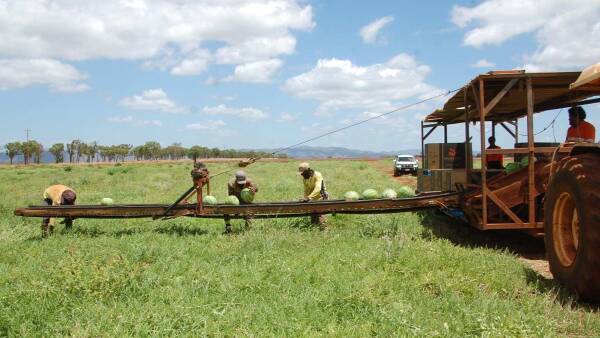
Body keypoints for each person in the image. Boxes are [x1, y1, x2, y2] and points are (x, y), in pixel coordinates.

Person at [298, 162, 329, 229]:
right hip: (312, 198)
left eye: (303, 173)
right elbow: (306, 190)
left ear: (308, 170)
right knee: (312, 214)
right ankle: (314, 228)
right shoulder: (305, 179)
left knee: (320, 213)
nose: (301, 174)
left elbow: (318, 188)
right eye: (301, 173)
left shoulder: (317, 175)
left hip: (322, 196)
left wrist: (309, 197)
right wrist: (305, 198)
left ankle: (324, 229)